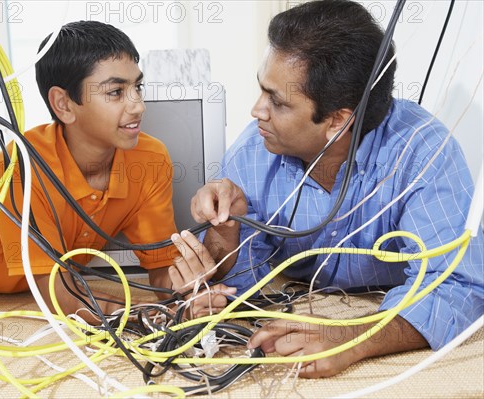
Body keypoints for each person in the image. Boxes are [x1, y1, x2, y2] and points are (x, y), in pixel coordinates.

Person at [168, 0, 484, 378]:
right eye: (261, 90)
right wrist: (224, 236)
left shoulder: (423, 153)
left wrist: (353, 337)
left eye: (277, 102)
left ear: (336, 120)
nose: (256, 111)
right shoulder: (255, 149)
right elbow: (239, 279)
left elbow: (459, 289)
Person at [0, 20, 179, 320]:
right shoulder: (22, 164)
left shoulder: (150, 160)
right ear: (63, 104)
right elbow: (60, 295)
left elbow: (162, 268)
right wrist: (139, 315)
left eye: (137, 86)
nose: (138, 105)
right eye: (116, 92)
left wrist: (190, 293)